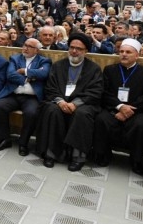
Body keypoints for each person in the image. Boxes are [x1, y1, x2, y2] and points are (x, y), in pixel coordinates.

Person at [36, 33, 103, 171]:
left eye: (79, 49)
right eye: (72, 47)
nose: (74, 51)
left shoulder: (93, 68)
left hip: (82, 103)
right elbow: (50, 87)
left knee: (82, 114)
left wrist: (75, 104)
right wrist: (60, 102)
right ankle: (51, 153)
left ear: (86, 51)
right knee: (52, 110)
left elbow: (95, 91)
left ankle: (77, 156)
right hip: (59, 101)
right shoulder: (58, 65)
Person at [93, 38, 143, 174]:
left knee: (142, 125)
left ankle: (136, 160)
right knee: (101, 119)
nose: (124, 54)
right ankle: (103, 155)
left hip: (136, 111)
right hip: (114, 108)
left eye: (128, 52)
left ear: (137, 55)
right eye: (121, 51)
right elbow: (104, 92)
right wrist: (120, 106)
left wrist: (128, 109)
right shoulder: (109, 70)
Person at [0, 38, 52, 156]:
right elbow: (10, 74)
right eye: (25, 45)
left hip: (31, 98)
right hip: (14, 94)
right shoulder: (15, 58)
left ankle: (23, 143)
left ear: (37, 50)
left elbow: (44, 73)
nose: (25, 48)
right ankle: (4, 138)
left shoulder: (44, 61)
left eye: (30, 46)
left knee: (31, 113)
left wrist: (24, 71)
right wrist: (29, 78)